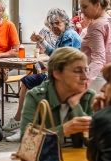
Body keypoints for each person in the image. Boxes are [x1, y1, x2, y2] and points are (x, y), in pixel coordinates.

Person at [5, 8, 81, 142]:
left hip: (63, 80)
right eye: (51, 24)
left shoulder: (69, 36)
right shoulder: (65, 35)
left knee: (32, 93)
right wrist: (41, 40)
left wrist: (47, 66)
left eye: (57, 23)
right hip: (60, 76)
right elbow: (55, 54)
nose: (54, 27)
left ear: (65, 22)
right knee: (27, 81)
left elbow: (63, 61)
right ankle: (20, 122)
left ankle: (24, 127)